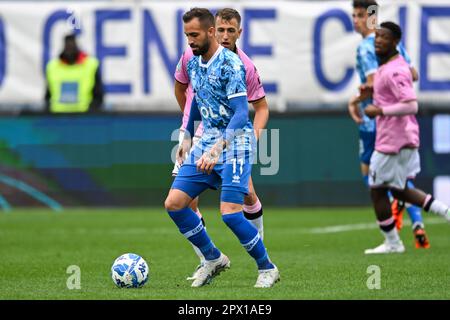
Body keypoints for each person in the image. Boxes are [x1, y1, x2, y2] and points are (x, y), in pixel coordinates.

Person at [164, 8, 279, 288]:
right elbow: (194, 105)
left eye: (194, 35)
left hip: (234, 144)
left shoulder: (232, 64)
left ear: (210, 32)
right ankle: (212, 258)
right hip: (205, 143)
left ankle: (267, 268)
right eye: (187, 35)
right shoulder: (192, 62)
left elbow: (242, 114)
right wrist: (187, 137)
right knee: (175, 204)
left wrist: (218, 148)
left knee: (230, 213)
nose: (190, 41)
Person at [362, 21, 450, 254]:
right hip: (402, 138)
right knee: (399, 190)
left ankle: (393, 243)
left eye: (384, 37)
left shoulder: (395, 69)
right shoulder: (391, 67)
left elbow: (411, 104)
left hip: (394, 141)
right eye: (377, 37)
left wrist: (379, 110)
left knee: (376, 188)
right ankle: (445, 211)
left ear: (396, 43)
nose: (378, 41)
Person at [347, 0, 430, 248]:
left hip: (376, 121)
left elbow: (373, 82)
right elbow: (413, 74)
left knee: (374, 177)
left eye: (361, 15)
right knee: (400, 179)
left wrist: (356, 100)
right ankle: (417, 222)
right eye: (354, 15)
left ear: (372, 16)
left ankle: (393, 231)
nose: (356, 20)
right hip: (400, 123)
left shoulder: (367, 46)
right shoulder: (395, 44)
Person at [45, 34, 103, 113]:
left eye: (72, 44)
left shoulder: (91, 64)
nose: (70, 47)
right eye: (68, 44)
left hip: (84, 117)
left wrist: (91, 113)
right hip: (57, 117)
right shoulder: (52, 66)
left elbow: (98, 95)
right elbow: (48, 96)